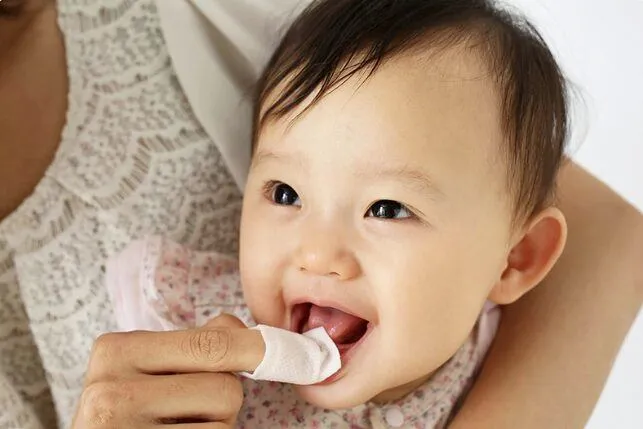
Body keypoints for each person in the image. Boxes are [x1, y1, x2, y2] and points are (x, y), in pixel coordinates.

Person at [0, 0, 640, 428]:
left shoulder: (502, 352)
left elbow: (611, 241)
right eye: (284, 194)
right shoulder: (189, 347)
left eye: (387, 208)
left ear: (515, 259)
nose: (317, 253)